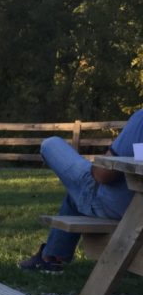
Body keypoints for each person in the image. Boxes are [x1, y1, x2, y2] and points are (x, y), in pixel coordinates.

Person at [19, 109, 143, 273]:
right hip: (132, 204)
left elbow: (102, 175)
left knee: (50, 144)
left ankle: (51, 257)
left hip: (125, 209)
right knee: (75, 193)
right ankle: (51, 257)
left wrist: (101, 162)